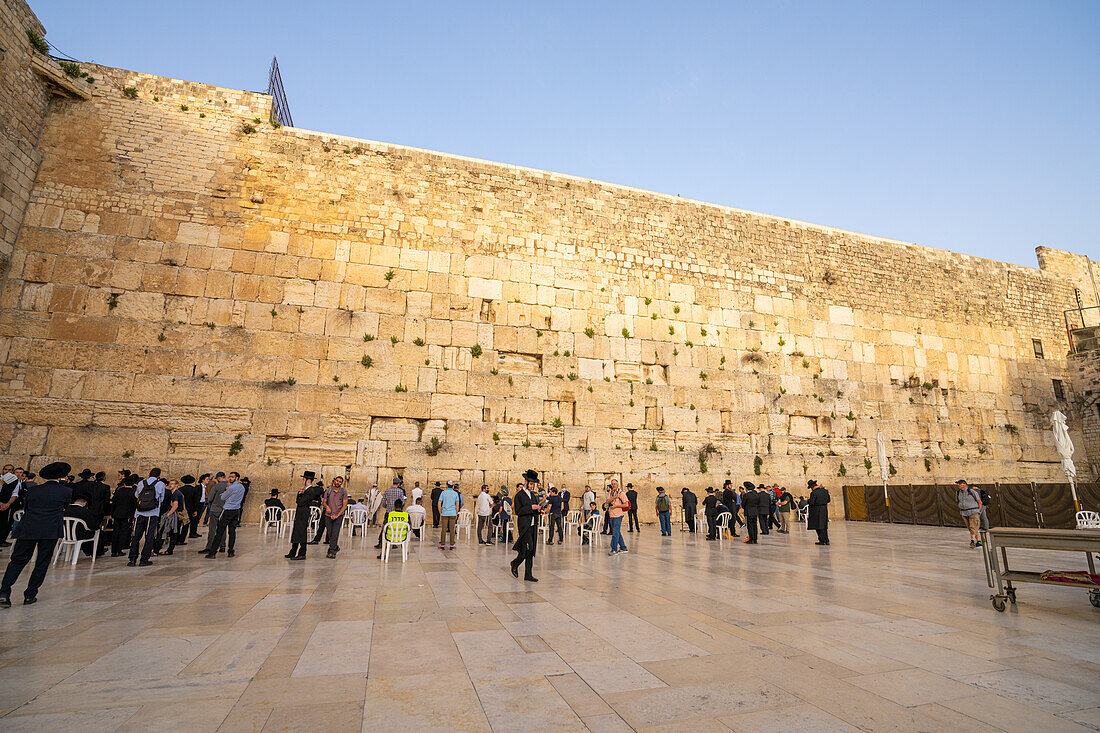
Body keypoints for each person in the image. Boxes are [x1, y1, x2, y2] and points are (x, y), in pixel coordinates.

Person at [0, 462, 72, 607]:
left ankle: (4, 593)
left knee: (17, 560)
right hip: (49, 530)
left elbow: (27, 507)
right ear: (62, 476)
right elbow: (65, 508)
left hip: (28, 527)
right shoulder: (66, 491)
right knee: (42, 562)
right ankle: (30, 595)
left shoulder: (33, 490)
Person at [510, 469, 543, 581]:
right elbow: (518, 510)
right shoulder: (519, 495)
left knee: (531, 551)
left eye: (534, 484)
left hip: (533, 525)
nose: (533, 486)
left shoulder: (533, 495)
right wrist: (531, 508)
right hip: (525, 526)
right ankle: (515, 563)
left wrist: (538, 509)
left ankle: (528, 574)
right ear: (526, 482)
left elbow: (534, 507)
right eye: (531, 484)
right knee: (528, 548)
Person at [129, 468, 165, 566]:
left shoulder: (141, 483)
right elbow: (161, 499)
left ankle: (132, 558)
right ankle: (144, 559)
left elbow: (137, 495)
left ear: (149, 474)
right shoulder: (160, 484)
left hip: (139, 513)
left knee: (135, 536)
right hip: (152, 514)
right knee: (149, 537)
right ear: (159, 476)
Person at [206, 472, 245, 558]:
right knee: (232, 531)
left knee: (220, 531)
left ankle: (212, 552)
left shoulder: (231, 487)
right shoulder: (242, 487)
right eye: (230, 477)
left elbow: (223, 497)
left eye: (232, 477)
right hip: (236, 510)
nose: (230, 478)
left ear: (237, 478)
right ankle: (231, 551)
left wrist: (226, 490)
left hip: (228, 510)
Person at [286, 471, 323, 560]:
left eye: (303, 479)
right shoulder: (307, 490)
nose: (302, 481)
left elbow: (300, 502)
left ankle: (302, 553)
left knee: (301, 533)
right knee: (297, 532)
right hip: (301, 513)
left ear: (307, 480)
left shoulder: (310, 491)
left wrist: (299, 494)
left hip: (303, 513)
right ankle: (293, 551)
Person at [374, 477, 406, 549]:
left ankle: (380, 543)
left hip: (388, 512)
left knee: (385, 527)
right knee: (396, 527)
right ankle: (394, 543)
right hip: (397, 512)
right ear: (398, 484)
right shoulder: (400, 491)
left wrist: (387, 507)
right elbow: (402, 502)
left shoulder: (387, 491)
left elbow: (383, 502)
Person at [200, 472, 228, 553]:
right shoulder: (230, 486)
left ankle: (210, 546)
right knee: (223, 528)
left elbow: (210, 498)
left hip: (215, 509)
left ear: (219, 478)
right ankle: (222, 546)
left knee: (212, 528)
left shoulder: (217, 486)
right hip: (225, 509)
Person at [110, 474, 137, 556]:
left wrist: (112, 514)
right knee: (123, 532)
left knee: (115, 532)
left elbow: (113, 503)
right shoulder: (133, 492)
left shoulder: (119, 491)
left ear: (124, 484)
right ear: (132, 484)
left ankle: (113, 551)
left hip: (117, 514)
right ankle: (119, 550)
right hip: (127, 515)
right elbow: (134, 505)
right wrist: (133, 516)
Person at [321, 476, 349, 558]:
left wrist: (337, 515)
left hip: (338, 515)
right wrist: (327, 507)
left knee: (335, 533)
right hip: (328, 515)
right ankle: (335, 547)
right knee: (330, 533)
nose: (338, 483)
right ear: (334, 481)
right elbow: (324, 502)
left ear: (341, 483)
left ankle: (331, 551)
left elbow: (344, 505)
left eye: (340, 482)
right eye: (337, 481)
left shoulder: (344, 492)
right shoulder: (328, 491)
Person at [954, 479, 983, 548]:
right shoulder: (958, 493)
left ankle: (972, 541)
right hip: (964, 512)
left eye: (960, 483)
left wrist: (978, 511)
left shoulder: (972, 492)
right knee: (971, 527)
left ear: (964, 484)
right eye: (958, 484)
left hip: (973, 511)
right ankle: (979, 541)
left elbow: (979, 502)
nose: (959, 485)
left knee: (973, 527)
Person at [606, 481, 629, 555]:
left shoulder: (622, 493)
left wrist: (616, 506)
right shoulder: (611, 493)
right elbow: (607, 501)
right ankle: (623, 547)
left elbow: (626, 504)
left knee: (615, 533)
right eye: (612, 484)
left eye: (614, 484)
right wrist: (615, 497)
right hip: (611, 515)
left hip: (618, 515)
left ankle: (614, 549)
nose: (613, 485)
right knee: (617, 532)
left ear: (618, 484)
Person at [807, 480, 831, 545]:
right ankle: (826, 540)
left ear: (812, 487)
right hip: (824, 510)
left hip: (816, 510)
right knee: (824, 526)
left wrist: (808, 500)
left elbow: (812, 502)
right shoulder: (825, 491)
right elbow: (828, 500)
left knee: (818, 526)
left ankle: (821, 540)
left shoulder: (813, 493)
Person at [437, 481, 460, 550]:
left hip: (445, 513)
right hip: (452, 513)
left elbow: (439, 503)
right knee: (452, 529)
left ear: (447, 485)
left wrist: (440, 512)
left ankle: (442, 545)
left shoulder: (443, 493)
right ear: (452, 486)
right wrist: (456, 513)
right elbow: (457, 504)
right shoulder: (455, 493)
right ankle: (452, 545)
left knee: (443, 529)